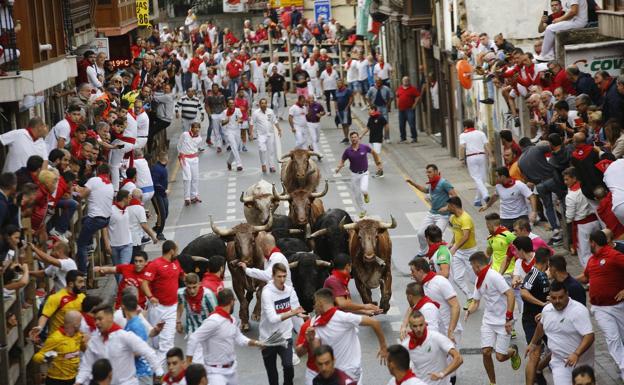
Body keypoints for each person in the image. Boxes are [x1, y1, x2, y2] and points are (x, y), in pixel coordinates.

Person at [306, 288, 388, 383]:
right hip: (332, 372)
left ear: (320, 302)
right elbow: (316, 351)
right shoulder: (317, 323)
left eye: (315, 302)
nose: (314, 306)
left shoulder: (342, 317)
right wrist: (311, 340)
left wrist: (383, 346)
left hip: (350, 370)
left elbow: (374, 322)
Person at [464, 252, 521, 385]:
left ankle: (512, 352)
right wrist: (469, 311)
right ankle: (492, 382)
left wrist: (508, 318)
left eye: (472, 266)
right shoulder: (479, 279)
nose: (472, 269)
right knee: (486, 352)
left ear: (477, 266)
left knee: (500, 357)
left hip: (503, 321)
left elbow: (510, 294)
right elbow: (476, 302)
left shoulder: (494, 277)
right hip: (488, 321)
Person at [186, 289, 264, 384]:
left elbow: (239, 338)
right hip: (215, 373)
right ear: (232, 302)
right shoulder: (213, 321)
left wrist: (257, 343)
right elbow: (194, 338)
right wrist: (188, 363)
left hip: (231, 369)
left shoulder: (232, 320)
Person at [575, 230, 624, 380]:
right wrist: (566, 278)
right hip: (600, 309)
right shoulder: (592, 260)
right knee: (612, 338)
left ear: (592, 242)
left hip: (618, 307)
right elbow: (585, 277)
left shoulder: (614, 255)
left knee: (621, 338)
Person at [75, 304, 164, 385]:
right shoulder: (95, 341)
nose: (96, 323)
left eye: (100, 319)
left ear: (110, 317)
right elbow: (86, 365)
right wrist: (79, 381)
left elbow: (147, 352)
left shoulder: (125, 336)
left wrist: (159, 372)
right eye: (95, 320)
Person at [526, 281, 595, 385]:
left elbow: (589, 336)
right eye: (553, 298)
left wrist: (576, 354)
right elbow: (541, 326)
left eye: (561, 297)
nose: (557, 301)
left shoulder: (579, 311)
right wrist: (533, 343)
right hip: (559, 362)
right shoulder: (546, 310)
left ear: (567, 294)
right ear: (549, 297)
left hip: (581, 362)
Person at [259, 263, 307, 385]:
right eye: (279, 276)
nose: (282, 280)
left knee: (288, 365)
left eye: (284, 276)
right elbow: (272, 318)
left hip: (285, 336)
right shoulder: (267, 293)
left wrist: (301, 315)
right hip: (268, 338)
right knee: (272, 373)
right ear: (273, 276)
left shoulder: (290, 290)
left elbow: (296, 308)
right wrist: (292, 313)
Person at [141, 240, 184, 369]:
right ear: (171, 251)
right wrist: (151, 297)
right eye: (176, 250)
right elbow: (144, 283)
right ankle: (155, 368)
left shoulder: (176, 263)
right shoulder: (155, 265)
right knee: (155, 343)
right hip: (157, 308)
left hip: (172, 308)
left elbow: (182, 276)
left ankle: (159, 373)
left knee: (167, 343)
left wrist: (195, 281)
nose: (177, 252)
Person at [401, 310, 463, 385]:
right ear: (410, 327)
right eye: (415, 326)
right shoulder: (406, 345)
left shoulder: (436, 337)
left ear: (425, 324)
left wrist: (441, 374)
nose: (418, 329)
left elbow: (459, 358)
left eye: (421, 325)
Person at [407, 164, 456, 257]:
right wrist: (412, 183)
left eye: (429, 172)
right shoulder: (431, 183)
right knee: (421, 233)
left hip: (443, 216)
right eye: (427, 172)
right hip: (431, 213)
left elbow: (454, 195)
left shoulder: (443, 183)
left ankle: (438, 255)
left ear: (436, 172)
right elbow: (425, 190)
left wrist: (448, 208)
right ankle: (422, 253)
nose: (427, 174)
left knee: (437, 237)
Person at [74, 164, 115, 273]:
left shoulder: (93, 180)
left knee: (80, 244)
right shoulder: (110, 184)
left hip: (95, 219)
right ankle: (90, 245)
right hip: (105, 220)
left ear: (97, 171)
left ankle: (83, 272)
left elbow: (82, 194)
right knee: (84, 220)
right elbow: (93, 191)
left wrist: (76, 188)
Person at [520, 248, 550, 385]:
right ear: (546, 261)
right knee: (535, 354)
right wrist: (542, 304)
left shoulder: (544, 275)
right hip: (531, 321)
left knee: (557, 349)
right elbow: (524, 293)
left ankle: (538, 370)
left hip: (546, 320)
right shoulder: (533, 274)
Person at [334, 131, 383, 217]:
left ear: (358, 138)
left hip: (364, 173)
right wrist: (339, 167)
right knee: (356, 195)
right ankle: (363, 210)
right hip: (354, 175)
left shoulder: (364, 147)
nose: (354, 139)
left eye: (355, 137)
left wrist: (378, 163)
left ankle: (366, 194)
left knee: (363, 189)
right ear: (350, 139)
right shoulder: (348, 151)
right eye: (352, 137)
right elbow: (342, 160)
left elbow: (374, 153)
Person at [32, 310, 84, 385]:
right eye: (80, 322)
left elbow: (84, 349)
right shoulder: (55, 338)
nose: (81, 324)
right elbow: (37, 356)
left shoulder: (79, 335)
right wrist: (45, 358)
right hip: (56, 380)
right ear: (75, 324)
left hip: (73, 378)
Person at [32, 270, 86, 340]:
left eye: (83, 282)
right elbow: (45, 316)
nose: (83, 285)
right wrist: (40, 327)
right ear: (71, 284)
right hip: (59, 341)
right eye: (80, 282)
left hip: (76, 339)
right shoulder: (56, 298)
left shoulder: (82, 297)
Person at [563, 167, 601, 267]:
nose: (565, 182)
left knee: (585, 252)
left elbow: (569, 217)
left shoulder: (571, 196)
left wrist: (567, 220)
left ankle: (590, 275)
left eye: (567, 179)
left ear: (574, 178)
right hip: (595, 222)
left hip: (582, 226)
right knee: (598, 248)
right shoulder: (587, 187)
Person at [121, 292, 158, 385]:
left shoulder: (135, 325)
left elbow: (140, 350)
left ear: (123, 307)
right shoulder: (132, 322)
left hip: (142, 372)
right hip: (138, 372)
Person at [446, 196, 477, 301]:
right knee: (457, 278)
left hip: (470, 252)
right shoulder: (452, 218)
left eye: (449, 206)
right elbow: (456, 232)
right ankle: (470, 296)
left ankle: (485, 293)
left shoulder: (466, 218)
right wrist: (452, 243)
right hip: (459, 252)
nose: (447, 208)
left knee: (474, 279)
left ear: (453, 206)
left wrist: (454, 247)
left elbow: (466, 236)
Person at [458, 119, 492, 206]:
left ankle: (485, 195)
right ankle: (477, 200)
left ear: (465, 127)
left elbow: (462, 147)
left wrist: (461, 159)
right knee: (482, 178)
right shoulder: (481, 133)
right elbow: (486, 145)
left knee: (477, 178)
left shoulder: (463, 135)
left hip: (471, 157)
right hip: (482, 156)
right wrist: (491, 156)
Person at [103, 190, 133, 272]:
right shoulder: (110, 210)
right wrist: (107, 244)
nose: (131, 199)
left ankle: (122, 284)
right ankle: (120, 285)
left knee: (124, 269)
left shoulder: (128, 209)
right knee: (117, 271)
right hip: (114, 246)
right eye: (129, 198)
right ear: (124, 199)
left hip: (127, 244)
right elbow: (104, 227)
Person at [250, 98, 281, 173]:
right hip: (261, 135)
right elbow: (251, 123)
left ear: (267, 104)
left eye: (265, 103)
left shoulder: (270, 111)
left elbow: (274, 121)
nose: (264, 105)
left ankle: (271, 166)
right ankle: (263, 164)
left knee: (271, 151)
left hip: (270, 134)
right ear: (259, 104)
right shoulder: (256, 113)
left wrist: (279, 129)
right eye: (262, 103)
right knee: (262, 149)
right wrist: (250, 133)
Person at [177, 122, 202, 206]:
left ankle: (194, 196)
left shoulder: (199, 139)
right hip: (185, 159)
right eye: (195, 127)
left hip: (194, 158)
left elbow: (195, 148)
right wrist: (180, 154)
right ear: (191, 128)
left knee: (195, 177)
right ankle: (187, 198)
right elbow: (179, 144)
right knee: (187, 177)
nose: (197, 129)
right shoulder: (185, 134)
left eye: (198, 128)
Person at [366, 78, 393, 143]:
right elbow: (367, 97)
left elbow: (391, 97)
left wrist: (388, 105)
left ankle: (387, 137)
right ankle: (378, 138)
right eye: (377, 82)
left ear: (381, 82)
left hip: (384, 107)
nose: (378, 83)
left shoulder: (386, 88)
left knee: (385, 123)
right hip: (375, 108)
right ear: (375, 82)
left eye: (379, 82)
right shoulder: (371, 89)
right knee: (376, 124)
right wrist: (370, 105)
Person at [221, 98, 244, 171]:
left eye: (233, 103)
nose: (232, 104)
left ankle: (229, 161)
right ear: (228, 104)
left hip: (237, 130)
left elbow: (241, 120)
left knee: (235, 148)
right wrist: (226, 121)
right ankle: (239, 164)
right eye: (230, 103)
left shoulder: (237, 110)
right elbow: (222, 123)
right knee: (233, 146)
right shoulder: (225, 112)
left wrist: (240, 120)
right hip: (229, 131)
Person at [395, 76, 421, 143]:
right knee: (401, 125)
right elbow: (397, 96)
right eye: (404, 80)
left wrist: (414, 105)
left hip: (409, 109)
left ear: (409, 81)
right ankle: (403, 138)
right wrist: (397, 104)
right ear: (402, 81)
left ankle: (414, 138)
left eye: (407, 80)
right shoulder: (399, 88)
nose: (405, 81)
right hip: (401, 110)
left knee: (412, 124)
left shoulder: (412, 89)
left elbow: (418, 96)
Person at [151, 151, 169, 241]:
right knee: (162, 213)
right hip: (157, 194)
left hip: (162, 194)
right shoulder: (157, 169)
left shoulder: (162, 167)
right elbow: (155, 183)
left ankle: (157, 227)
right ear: (166, 159)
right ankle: (159, 232)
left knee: (165, 212)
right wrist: (164, 190)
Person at [335, 79, 354, 144]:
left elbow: (351, 99)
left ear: (342, 83)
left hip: (345, 110)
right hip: (339, 110)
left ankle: (347, 137)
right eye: (337, 83)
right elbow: (336, 100)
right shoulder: (336, 91)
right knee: (342, 124)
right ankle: (346, 137)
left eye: (340, 83)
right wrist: (336, 108)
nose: (338, 84)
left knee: (346, 123)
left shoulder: (347, 90)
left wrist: (347, 107)